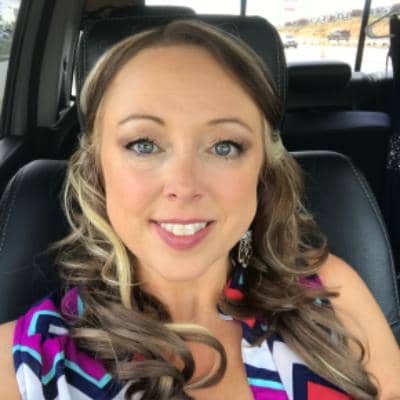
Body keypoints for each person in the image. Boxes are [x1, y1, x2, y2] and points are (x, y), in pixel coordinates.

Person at [1, 19, 400, 400]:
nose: (185, 186)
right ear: (97, 168)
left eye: (224, 147)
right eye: (143, 144)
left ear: (262, 168)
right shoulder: (26, 367)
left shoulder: (330, 292)